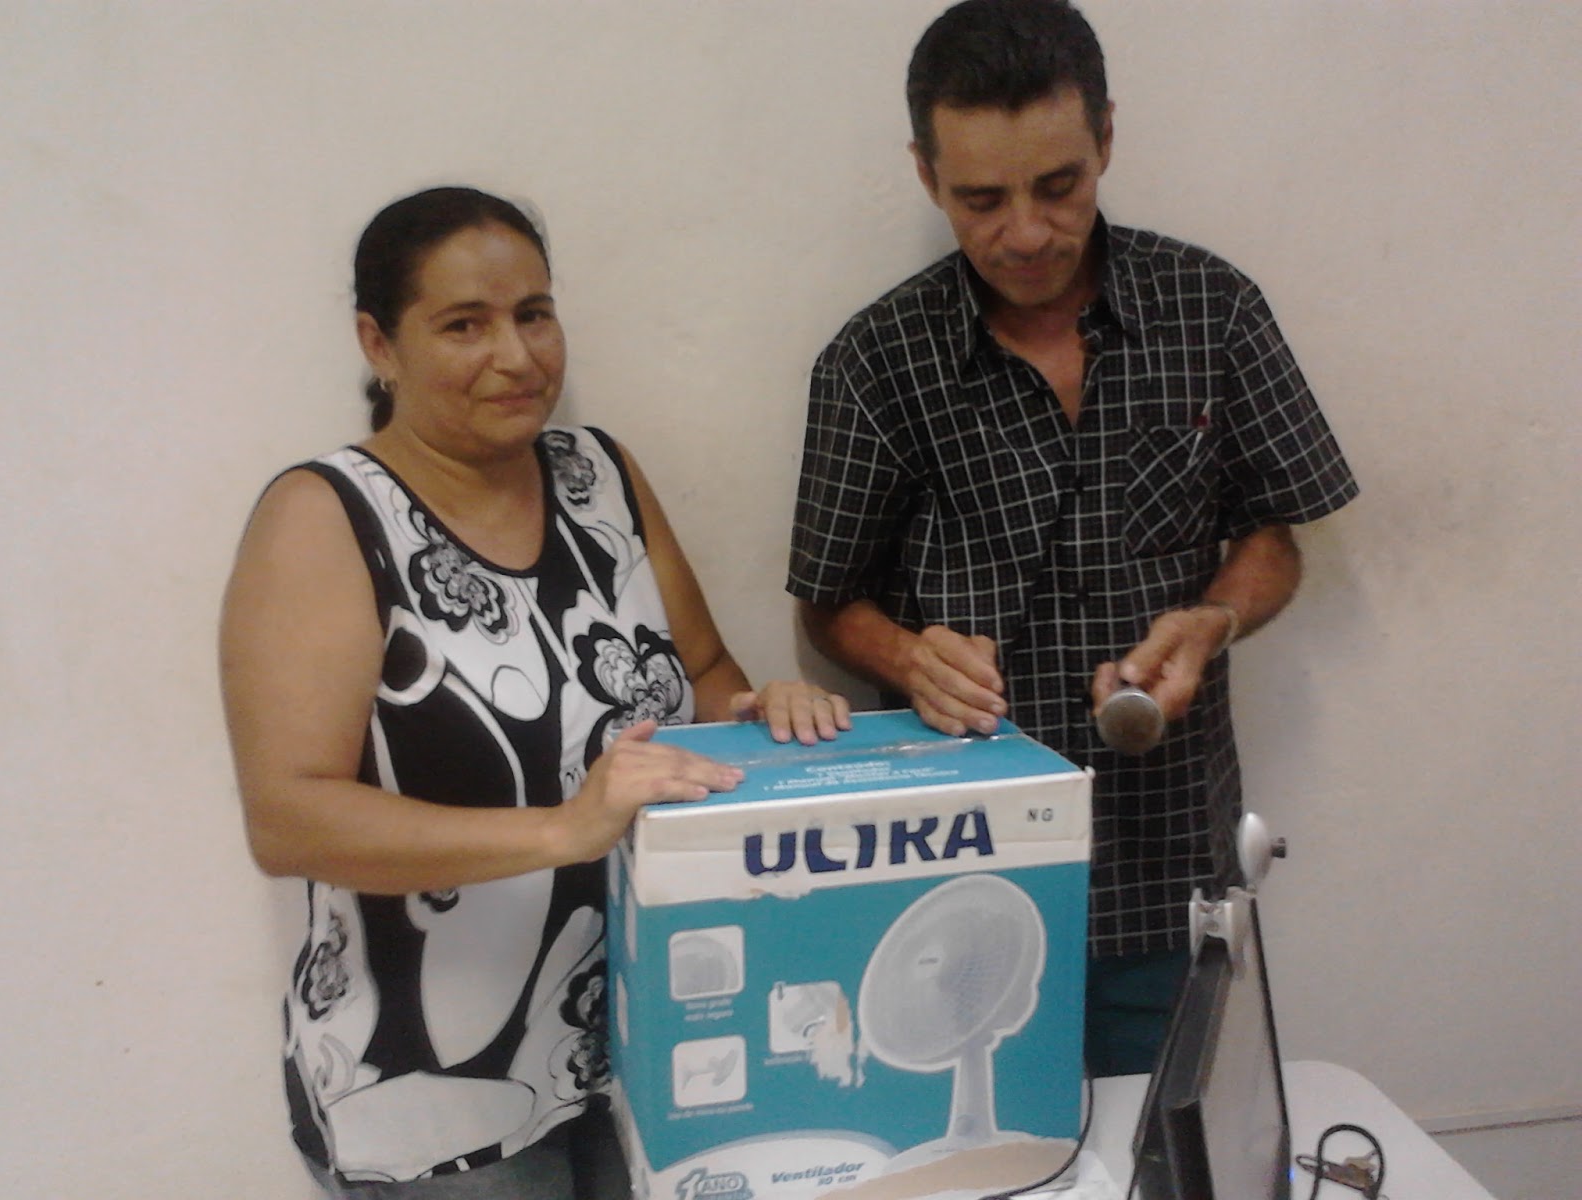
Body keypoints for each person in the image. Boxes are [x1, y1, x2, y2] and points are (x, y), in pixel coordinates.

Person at [220, 185, 851, 1199]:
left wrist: (760, 715)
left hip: (650, 1040)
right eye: (464, 325)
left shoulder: (600, 477)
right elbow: (288, 819)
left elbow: (700, 674)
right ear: (379, 344)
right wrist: (563, 829)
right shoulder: (326, 517)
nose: (515, 355)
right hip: (437, 1097)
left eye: (533, 314)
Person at [787, 0, 1358, 1077]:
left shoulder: (1211, 308)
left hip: (1166, 858)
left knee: (1171, 1138)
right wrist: (908, 658)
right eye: (981, 199)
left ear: (1105, 139)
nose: (1025, 233)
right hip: (958, 886)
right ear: (926, 175)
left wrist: (1212, 619)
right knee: (978, 1148)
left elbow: (1273, 534)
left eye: (1058, 186)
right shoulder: (875, 361)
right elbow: (827, 603)